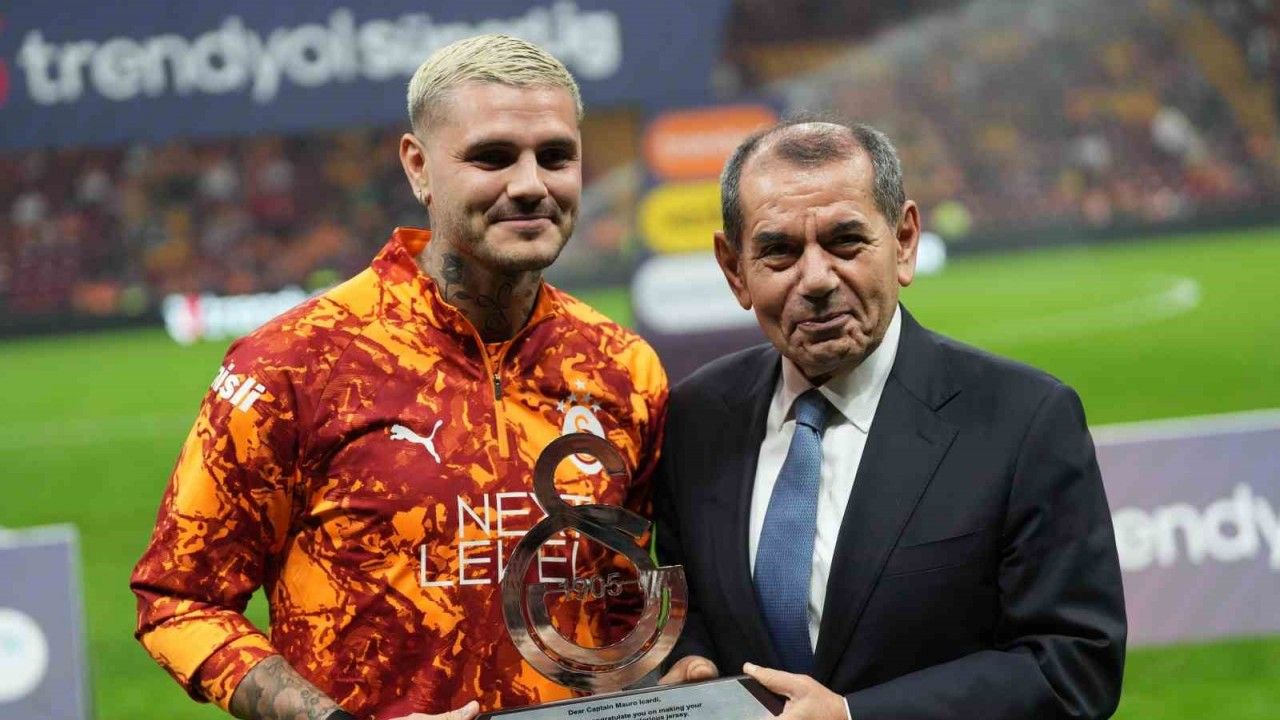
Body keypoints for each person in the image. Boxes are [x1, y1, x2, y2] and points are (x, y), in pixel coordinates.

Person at [130, 35, 668, 720]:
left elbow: (623, 602)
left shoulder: (622, 367)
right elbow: (179, 597)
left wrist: (673, 670)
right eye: (492, 157)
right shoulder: (295, 361)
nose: (531, 184)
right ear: (419, 167)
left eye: (556, 156)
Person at [654, 119, 1126, 719]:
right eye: (779, 251)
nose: (817, 279)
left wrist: (856, 716)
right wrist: (690, 660)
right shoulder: (696, 418)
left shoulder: (1024, 420)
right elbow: (692, 610)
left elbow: (1074, 665)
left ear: (904, 242)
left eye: (845, 241)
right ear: (734, 269)